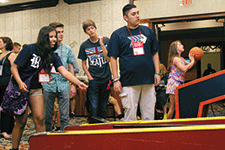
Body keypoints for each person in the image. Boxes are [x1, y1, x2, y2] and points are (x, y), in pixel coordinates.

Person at [10, 26, 87, 150]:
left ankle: (41, 147)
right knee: (21, 122)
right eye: (51, 37)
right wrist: (19, 83)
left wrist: (78, 83)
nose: (54, 40)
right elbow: (14, 67)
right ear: (44, 37)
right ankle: (14, 148)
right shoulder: (30, 48)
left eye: (55, 37)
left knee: (40, 119)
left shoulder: (52, 55)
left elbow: (64, 72)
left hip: (35, 88)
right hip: (20, 88)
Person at [107, 4, 160, 121]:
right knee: (130, 115)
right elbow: (113, 58)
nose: (137, 16)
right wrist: (115, 79)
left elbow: (155, 53)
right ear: (125, 17)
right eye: (133, 14)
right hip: (129, 81)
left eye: (138, 13)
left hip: (148, 80)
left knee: (149, 115)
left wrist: (157, 73)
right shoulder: (117, 35)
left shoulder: (148, 31)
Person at [42, 22, 78, 131]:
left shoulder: (67, 49)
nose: (61, 34)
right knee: (47, 116)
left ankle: (64, 137)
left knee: (64, 116)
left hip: (63, 85)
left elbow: (71, 67)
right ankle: (48, 136)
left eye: (62, 32)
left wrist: (72, 85)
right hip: (47, 85)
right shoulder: (45, 49)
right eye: (58, 32)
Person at [78, 19, 112, 123]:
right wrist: (89, 77)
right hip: (94, 79)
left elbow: (108, 59)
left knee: (103, 105)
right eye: (88, 29)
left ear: (95, 28)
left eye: (92, 28)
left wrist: (101, 44)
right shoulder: (84, 45)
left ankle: (102, 127)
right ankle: (92, 125)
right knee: (93, 105)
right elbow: (83, 63)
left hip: (106, 78)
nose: (91, 31)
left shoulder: (106, 40)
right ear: (85, 32)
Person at [166, 40, 195, 119]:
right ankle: (166, 126)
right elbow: (184, 69)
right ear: (175, 48)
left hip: (179, 83)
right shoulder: (175, 59)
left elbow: (189, 66)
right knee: (172, 107)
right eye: (180, 45)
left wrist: (193, 59)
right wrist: (192, 61)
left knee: (177, 107)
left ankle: (176, 122)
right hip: (174, 83)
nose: (182, 45)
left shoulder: (181, 58)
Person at [0, 37, 15, 139]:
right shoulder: (0, 55)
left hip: (6, 84)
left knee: (6, 107)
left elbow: (14, 70)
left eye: (0, 42)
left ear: (5, 43)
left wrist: (11, 84)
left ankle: (5, 130)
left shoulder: (11, 54)